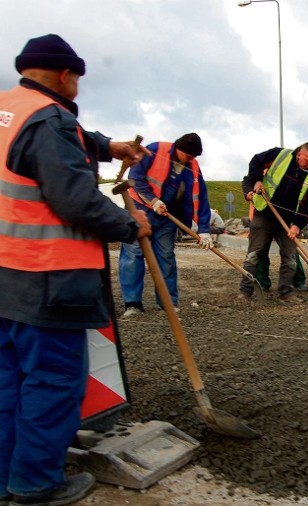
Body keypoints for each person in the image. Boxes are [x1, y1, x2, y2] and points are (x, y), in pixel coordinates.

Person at [0, 34, 152, 506]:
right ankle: (35, 484)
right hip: (49, 274)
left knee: (9, 379)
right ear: (65, 76)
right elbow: (75, 198)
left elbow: (68, 144)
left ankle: (6, 475)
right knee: (53, 380)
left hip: (7, 271)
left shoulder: (11, 108)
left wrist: (113, 147)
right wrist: (131, 225)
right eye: (78, 81)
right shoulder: (50, 121)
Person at [118, 133, 212, 316]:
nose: (191, 160)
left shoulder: (192, 166)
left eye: (194, 157)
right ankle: (133, 304)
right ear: (178, 149)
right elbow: (135, 178)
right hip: (139, 209)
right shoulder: (154, 150)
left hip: (167, 217)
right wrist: (153, 201)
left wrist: (205, 230)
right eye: (189, 156)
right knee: (133, 254)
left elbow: (201, 196)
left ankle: (167, 303)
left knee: (166, 257)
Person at [239, 143, 308, 303]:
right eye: (307, 161)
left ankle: (286, 292)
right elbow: (255, 161)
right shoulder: (280, 155)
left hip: (288, 221)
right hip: (265, 214)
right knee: (254, 255)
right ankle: (245, 291)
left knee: (290, 258)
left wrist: (298, 225)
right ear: (299, 155)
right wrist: (256, 181)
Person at [241, 170, 308, 293]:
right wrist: (249, 192)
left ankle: (298, 281)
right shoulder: (260, 172)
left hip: (283, 218)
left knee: (291, 251)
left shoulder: (287, 173)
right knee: (259, 251)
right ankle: (262, 283)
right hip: (262, 218)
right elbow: (246, 182)